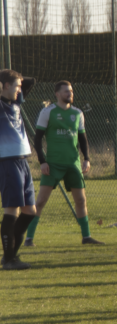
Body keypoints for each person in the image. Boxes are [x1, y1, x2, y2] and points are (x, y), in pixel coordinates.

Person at [25, 81, 103, 248]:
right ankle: (28, 239)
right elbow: (37, 139)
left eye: (71, 91)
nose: (70, 94)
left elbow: (82, 138)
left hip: (73, 163)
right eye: (66, 91)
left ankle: (86, 237)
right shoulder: (48, 112)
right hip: (53, 164)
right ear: (57, 94)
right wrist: (42, 162)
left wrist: (86, 158)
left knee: (81, 200)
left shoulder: (78, 113)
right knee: (40, 201)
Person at [0, 70, 37, 271]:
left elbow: (32, 81)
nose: (20, 90)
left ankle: (10, 255)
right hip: (7, 161)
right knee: (12, 210)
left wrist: (17, 79)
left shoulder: (16, 103)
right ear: (4, 86)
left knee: (30, 211)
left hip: (23, 161)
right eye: (16, 86)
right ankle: (9, 260)